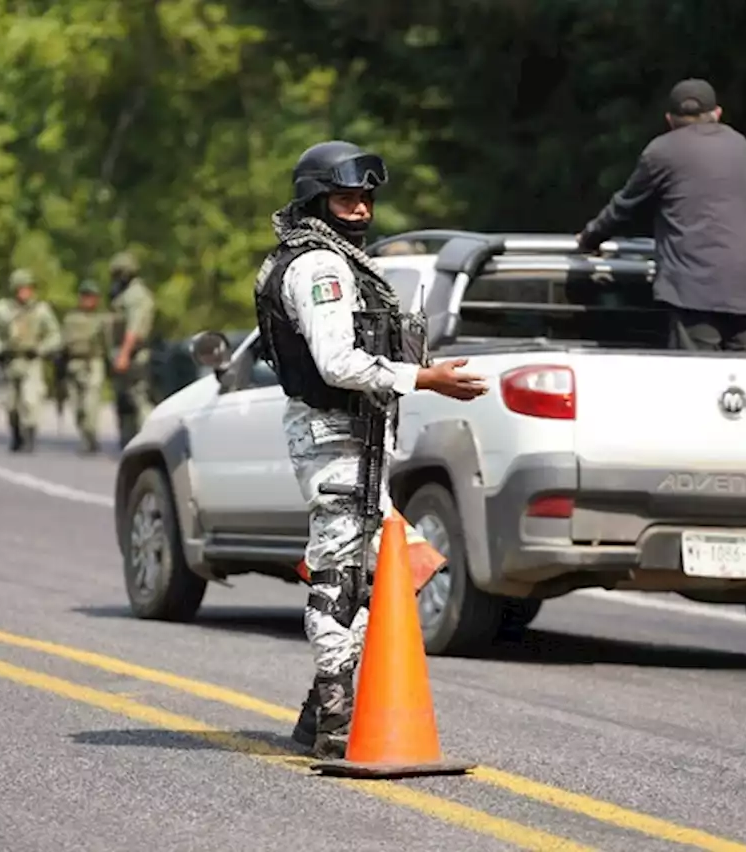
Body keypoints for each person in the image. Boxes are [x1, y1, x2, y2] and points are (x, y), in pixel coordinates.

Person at [253, 140, 488, 759]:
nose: (358, 209)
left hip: (361, 440)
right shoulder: (319, 268)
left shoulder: (335, 259)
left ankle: (322, 708)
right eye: (344, 197)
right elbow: (336, 364)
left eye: (365, 198)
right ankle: (333, 718)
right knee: (339, 576)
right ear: (314, 199)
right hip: (334, 437)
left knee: (390, 571)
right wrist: (427, 379)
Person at [575, 78, 746, 352]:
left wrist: (589, 238)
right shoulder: (740, 146)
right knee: (736, 384)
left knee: (697, 383)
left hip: (692, 292)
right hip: (741, 290)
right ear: (718, 113)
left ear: (669, 119)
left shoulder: (662, 151)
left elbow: (625, 206)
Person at [0, 268, 63, 453]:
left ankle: (30, 437)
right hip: (9, 361)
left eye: (28, 288)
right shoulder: (3, 309)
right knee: (10, 403)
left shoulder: (41, 310)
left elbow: (55, 335)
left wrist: (42, 348)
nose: (25, 292)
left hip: (31, 360)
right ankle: (16, 433)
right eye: (21, 288)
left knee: (30, 400)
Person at [107, 251, 157, 447]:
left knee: (138, 398)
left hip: (134, 355)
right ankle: (129, 442)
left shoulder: (136, 296)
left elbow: (133, 330)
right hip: (125, 353)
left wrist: (124, 355)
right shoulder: (125, 295)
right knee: (124, 401)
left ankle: (148, 440)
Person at [59, 279, 109, 454]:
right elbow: (62, 343)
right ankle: (86, 436)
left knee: (90, 403)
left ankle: (91, 437)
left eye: (92, 296)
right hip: (73, 364)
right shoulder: (70, 319)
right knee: (77, 406)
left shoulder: (102, 319)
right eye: (85, 296)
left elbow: (108, 344)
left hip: (93, 363)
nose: (88, 300)